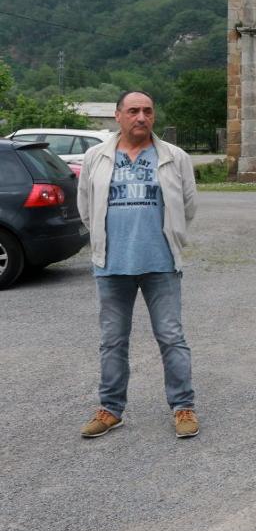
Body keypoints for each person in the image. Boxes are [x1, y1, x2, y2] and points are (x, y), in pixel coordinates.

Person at [78, 90, 199, 439]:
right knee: (112, 340)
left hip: (161, 262)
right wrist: (103, 239)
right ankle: (110, 409)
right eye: (133, 111)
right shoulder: (95, 157)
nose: (141, 117)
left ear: (154, 116)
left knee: (172, 337)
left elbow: (188, 205)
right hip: (112, 265)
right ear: (118, 116)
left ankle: (183, 407)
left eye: (147, 111)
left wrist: (170, 236)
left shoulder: (174, 157)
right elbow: (86, 205)